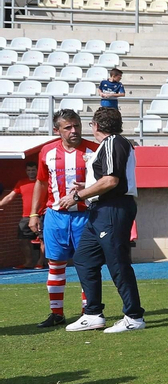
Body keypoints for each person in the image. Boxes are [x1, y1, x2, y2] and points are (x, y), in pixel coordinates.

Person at [65, 108, 144, 333]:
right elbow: (107, 178)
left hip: (113, 207)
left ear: (95, 125)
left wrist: (78, 196)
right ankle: (92, 314)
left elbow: (111, 180)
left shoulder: (112, 142)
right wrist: (86, 188)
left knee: (117, 262)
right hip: (101, 209)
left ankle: (134, 316)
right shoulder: (111, 144)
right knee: (83, 258)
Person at [31, 109, 94, 328]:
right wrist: (33, 213)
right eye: (68, 127)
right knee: (55, 265)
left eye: (76, 125)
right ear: (57, 130)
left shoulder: (94, 150)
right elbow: (40, 182)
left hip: (86, 216)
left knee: (86, 265)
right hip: (55, 217)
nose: (74, 130)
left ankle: (89, 312)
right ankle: (56, 313)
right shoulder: (47, 151)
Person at [2, 164, 42, 269]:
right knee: (22, 240)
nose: (31, 172)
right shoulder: (21, 183)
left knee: (43, 239)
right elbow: (10, 197)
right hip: (26, 216)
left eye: (33, 170)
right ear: (26, 171)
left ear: (37, 170)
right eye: (29, 170)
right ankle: (28, 262)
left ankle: (40, 262)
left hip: (41, 214)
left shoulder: (42, 181)